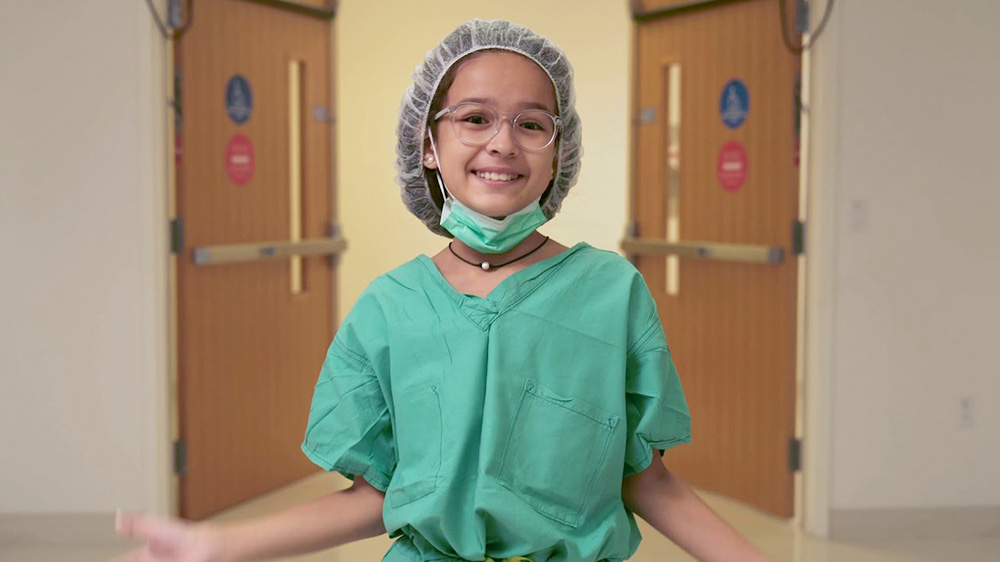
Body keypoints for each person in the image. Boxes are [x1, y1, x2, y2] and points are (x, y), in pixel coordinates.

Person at [116, 19, 773, 562]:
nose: (503, 143)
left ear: (557, 152)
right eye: (475, 118)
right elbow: (378, 497)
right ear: (428, 145)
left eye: (532, 124)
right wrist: (213, 545)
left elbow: (648, 480)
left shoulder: (611, 294)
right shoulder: (389, 309)